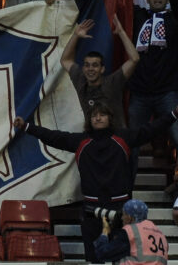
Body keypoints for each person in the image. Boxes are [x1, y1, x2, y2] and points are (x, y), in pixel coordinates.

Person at [14, 104, 178, 262]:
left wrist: (174, 114)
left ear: (110, 118)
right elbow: (53, 137)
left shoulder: (124, 137)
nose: (98, 118)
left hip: (120, 207)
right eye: (94, 116)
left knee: (120, 256)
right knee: (92, 257)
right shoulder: (81, 141)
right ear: (89, 120)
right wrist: (27, 127)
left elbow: (151, 129)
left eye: (102, 115)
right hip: (91, 208)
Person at [127, 0, 178, 149]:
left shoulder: (174, 19)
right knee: (133, 143)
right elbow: (119, 1)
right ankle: (129, 169)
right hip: (139, 92)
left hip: (167, 92)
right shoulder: (138, 17)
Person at [62, 18, 140, 125]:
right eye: (87, 65)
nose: (90, 69)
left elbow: (134, 59)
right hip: (92, 135)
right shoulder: (80, 81)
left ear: (102, 69)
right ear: (83, 68)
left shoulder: (113, 82)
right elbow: (65, 60)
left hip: (116, 134)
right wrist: (75, 36)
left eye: (95, 65)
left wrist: (121, 32)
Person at [93, 199, 168, 264]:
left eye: (123, 214)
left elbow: (103, 253)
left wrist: (105, 232)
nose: (122, 218)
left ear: (129, 217)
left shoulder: (131, 232)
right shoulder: (161, 235)